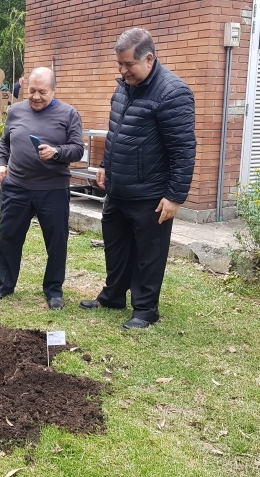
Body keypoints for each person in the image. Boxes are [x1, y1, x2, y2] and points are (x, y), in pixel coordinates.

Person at [80, 28, 196, 329]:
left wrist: (174, 196)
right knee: (116, 246)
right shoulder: (123, 88)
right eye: (119, 64)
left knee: (148, 253)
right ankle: (113, 296)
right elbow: (115, 131)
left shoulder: (173, 93)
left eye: (128, 65)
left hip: (151, 193)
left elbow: (183, 149)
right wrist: (105, 164)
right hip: (119, 187)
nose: (122, 70)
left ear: (149, 59)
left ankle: (145, 310)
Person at [0, 67, 84, 310]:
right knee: (9, 238)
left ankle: (54, 290)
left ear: (53, 90)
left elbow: (78, 149)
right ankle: (4, 286)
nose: (36, 96)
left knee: (56, 241)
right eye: (31, 91)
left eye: (42, 92)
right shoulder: (16, 111)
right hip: (17, 188)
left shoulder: (69, 114)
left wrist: (57, 152)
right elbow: (4, 143)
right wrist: (1, 164)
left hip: (53, 189)